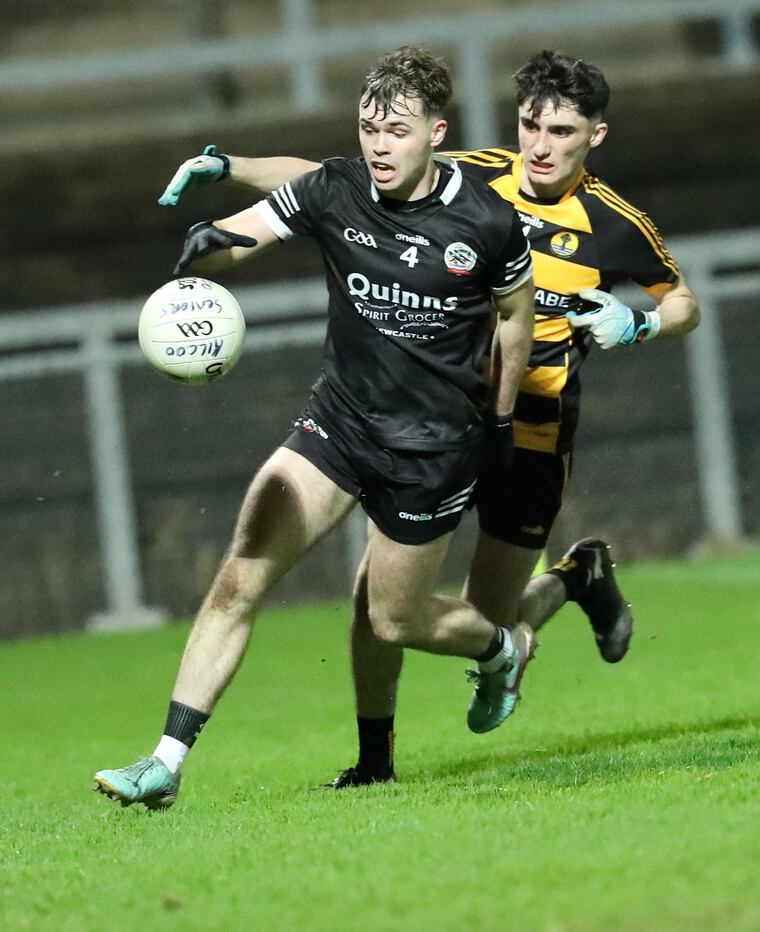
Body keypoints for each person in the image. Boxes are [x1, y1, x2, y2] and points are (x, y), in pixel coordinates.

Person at [156, 49, 701, 787]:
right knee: (377, 598)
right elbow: (319, 181)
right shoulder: (472, 174)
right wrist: (229, 167)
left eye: (562, 132)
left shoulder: (615, 223)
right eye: (530, 125)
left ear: (594, 137)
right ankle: (375, 760)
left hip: (531, 434)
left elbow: (683, 303)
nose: (540, 145)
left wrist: (637, 325)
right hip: (442, 418)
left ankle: (575, 578)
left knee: (488, 615)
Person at [93, 46, 536, 809]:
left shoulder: (487, 221)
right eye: (367, 127)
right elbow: (254, 226)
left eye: (395, 129)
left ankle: (504, 647)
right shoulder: (340, 188)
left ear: (438, 131)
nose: (378, 144)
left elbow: (518, 318)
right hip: (339, 423)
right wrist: (212, 246)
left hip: (430, 449)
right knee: (242, 571)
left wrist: (500, 423)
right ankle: (164, 762)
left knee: (392, 618)